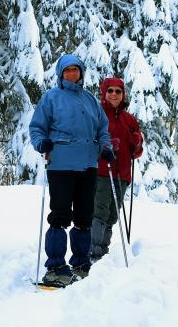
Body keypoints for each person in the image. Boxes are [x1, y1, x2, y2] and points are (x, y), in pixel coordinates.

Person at [29, 53, 115, 287]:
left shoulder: (90, 100)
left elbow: (102, 129)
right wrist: (42, 143)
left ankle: (80, 263)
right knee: (59, 216)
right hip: (60, 165)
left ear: (81, 73)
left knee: (84, 218)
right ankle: (56, 266)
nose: (71, 74)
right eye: (67, 70)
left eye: (75, 70)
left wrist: (105, 147)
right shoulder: (52, 97)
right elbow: (37, 127)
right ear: (60, 74)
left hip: (87, 165)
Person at [90, 77, 143, 261]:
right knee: (100, 212)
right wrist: (104, 146)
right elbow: (89, 142)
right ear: (104, 93)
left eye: (118, 91)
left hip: (122, 174)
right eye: (110, 90)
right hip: (102, 172)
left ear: (123, 95)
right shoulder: (97, 115)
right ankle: (94, 252)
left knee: (112, 214)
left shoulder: (130, 120)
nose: (114, 94)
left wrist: (136, 143)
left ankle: (102, 252)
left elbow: (137, 153)